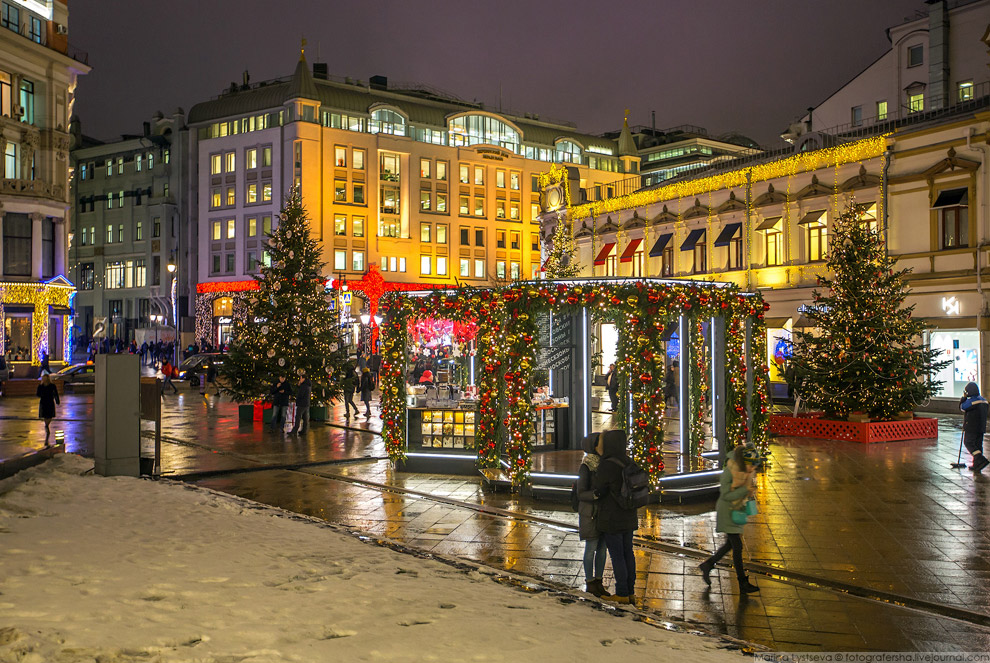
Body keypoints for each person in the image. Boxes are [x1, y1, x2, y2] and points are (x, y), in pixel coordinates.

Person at [699, 444, 761, 594]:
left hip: (736, 510)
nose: (753, 469)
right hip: (727, 512)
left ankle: (708, 565)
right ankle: (742, 582)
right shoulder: (730, 471)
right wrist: (745, 490)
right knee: (737, 547)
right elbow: (725, 495)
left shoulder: (745, 471)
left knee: (730, 545)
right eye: (751, 465)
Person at [592, 429, 639, 604]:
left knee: (617, 555)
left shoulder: (607, 464)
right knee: (628, 553)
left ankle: (622, 593)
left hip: (612, 517)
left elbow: (599, 488)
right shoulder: (628, 461)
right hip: (629, 515)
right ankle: (630, 591)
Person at [577, 432, 607, 597]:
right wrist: (596, 494)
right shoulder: (586, 466)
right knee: (591, 548)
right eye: (601, 442)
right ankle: (590, 582)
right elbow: (581, 493)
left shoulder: (605, 464)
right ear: (593, 446)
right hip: (590, 513)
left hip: (602, 512)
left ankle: (599, 581)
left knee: (602, 549)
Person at [960, 382, 989, 472]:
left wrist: (963, 398)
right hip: (981, 427)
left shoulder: (972, 401)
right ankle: (977, 465)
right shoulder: (984, 400)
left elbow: (962, 407)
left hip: (971, 426)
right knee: (978, 445)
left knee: (969, 443)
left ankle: (980, 459)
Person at [36, 374, 60, 443]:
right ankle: (46, 425)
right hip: (45, 401)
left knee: (48, 415)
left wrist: (57, 400)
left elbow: (55, 393)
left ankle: (46, 425)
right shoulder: (42, 386)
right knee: (47, 415)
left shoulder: (51, 386)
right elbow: (38, 394)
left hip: (47, 401)